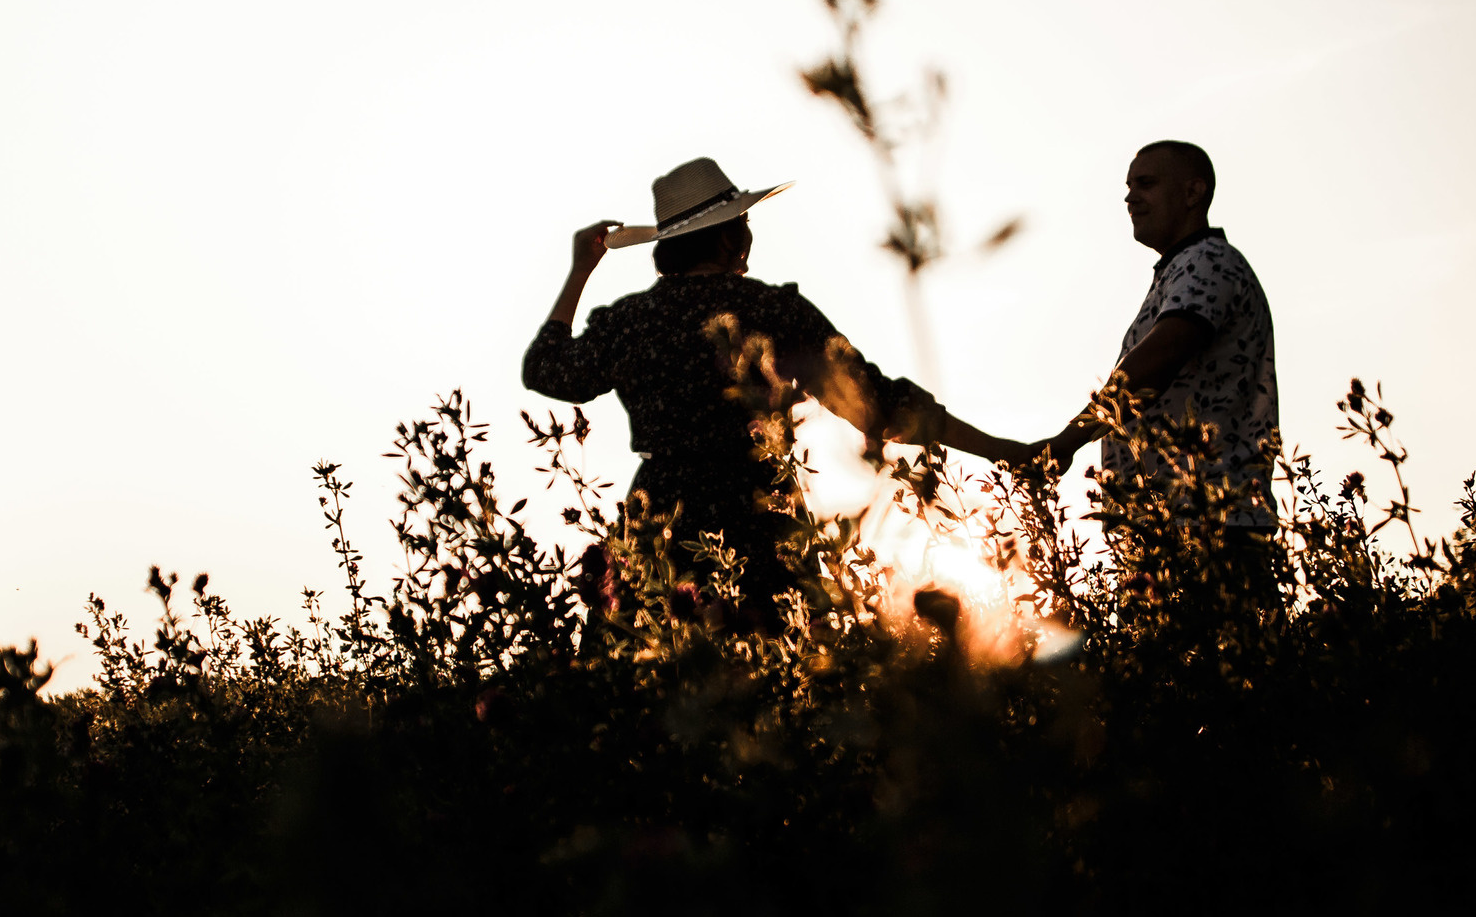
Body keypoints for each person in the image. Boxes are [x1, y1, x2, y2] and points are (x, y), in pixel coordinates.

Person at [525, 156, 1027, 607]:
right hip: (760, 522)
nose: (748, 233)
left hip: (660, 524)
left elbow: (545, 369)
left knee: (651, 680)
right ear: (727, 237)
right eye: (743, 222)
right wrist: (1006, 449)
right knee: (780, 680)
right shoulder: (770, 310)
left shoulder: (632, 321)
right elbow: (881, 408)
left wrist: (580, 269)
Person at [1029, 140, 1279, 523]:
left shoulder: (1207, 261)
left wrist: (1068, 440)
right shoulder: (1183, 270)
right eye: (1129, 188)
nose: (1130, 198)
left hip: (1206, 526)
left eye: (1146, 184)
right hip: (1174, 528)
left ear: (1193, 192)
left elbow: (1157, 359)